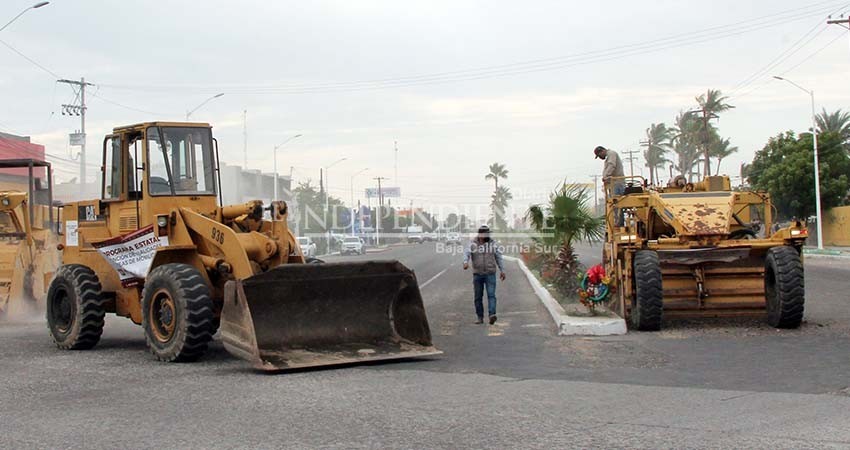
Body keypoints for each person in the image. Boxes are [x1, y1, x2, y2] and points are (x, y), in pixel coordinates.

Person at [463, 225, 506, 325]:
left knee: (491, 295)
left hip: (490, 274)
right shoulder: (472, 243)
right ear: (480, 234)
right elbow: (466, 253)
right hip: (477, 274)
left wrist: (502, 270)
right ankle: (480, 317)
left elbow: (499, 257)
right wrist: (465, 262)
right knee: (478, 297)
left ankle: (492, 315)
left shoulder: (493, 244)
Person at [594, 145, 625, 226]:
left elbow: (612, 165)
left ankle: (619, 222)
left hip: (617, 182)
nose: (600, 157)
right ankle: (617, 221)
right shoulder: (609, 156)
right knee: (614, 204)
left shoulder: (611, 154)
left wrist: (606, 176)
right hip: (613, 183)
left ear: (602, 151)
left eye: (599, 155)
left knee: (617, 203)